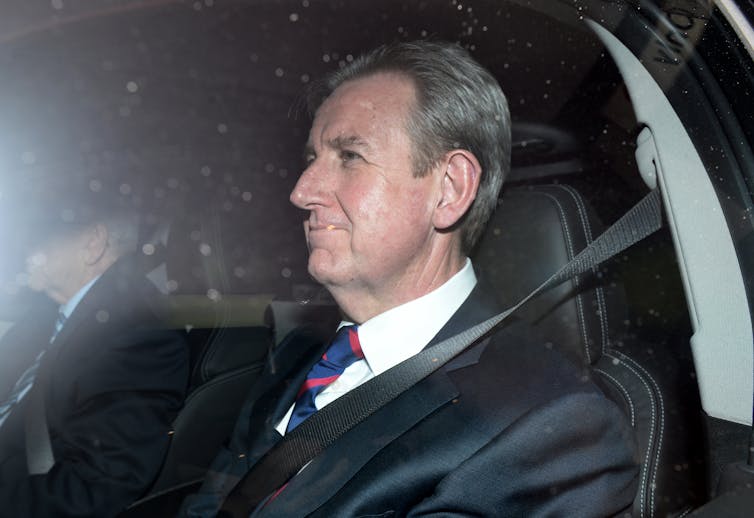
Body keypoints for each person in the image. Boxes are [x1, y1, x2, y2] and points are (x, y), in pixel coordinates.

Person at [181, 40, 638, 517]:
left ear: (449, 189)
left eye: (350, 156)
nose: (301, 191)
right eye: (312, 158)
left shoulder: (548, 429)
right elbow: (216, 502)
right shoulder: (299, 354)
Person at [0, 187, 189, 517]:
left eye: (39, 235)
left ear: (92, 242)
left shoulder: (137, 336)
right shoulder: (47, 313)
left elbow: (96, 488)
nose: (23, 246)